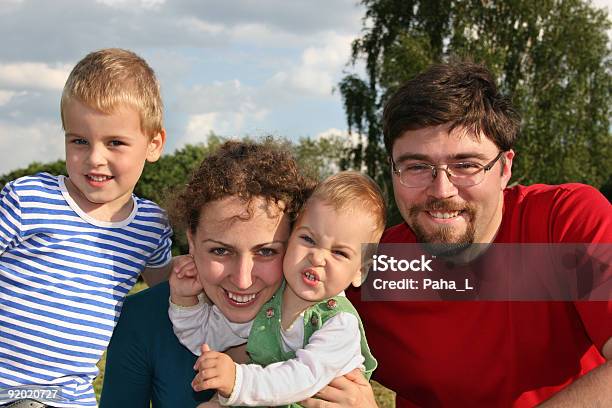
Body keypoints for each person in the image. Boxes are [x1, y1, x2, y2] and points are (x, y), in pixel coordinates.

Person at [346, 60, 612, 407]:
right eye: (417, 167)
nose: (441, 190)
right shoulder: (363, 268)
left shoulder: (564, 220)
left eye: (466, 165)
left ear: (505, 168)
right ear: (393, 171)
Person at [0, 48, 173, 408]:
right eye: (79, 140)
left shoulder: (151, 226)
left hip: (70, 398)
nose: (95, 158)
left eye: (115, 143)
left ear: (153, 144)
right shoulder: (28, 198)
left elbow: (169, 293)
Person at [99, 139, 313, 408]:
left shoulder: (322, 323)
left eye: (266, 252)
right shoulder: (141, 319)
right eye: (221, 251)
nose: (242, 280)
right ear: (192, 239)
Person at [171, 171, 385, 407]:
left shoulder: (339, 323)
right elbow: (205, 336)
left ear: (360, 272)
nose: (318, 257)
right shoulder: (270, 300)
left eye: (339, 252)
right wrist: (184, 300)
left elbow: (301, 378)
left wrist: (238, 381)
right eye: (308, 239)